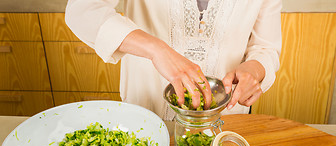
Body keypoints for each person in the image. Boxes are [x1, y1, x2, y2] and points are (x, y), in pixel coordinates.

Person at [65, 0, 281, 120]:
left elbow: (266, 47)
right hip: (146, 113)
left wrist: (255, 69)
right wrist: (155, 49)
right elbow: (83, 11)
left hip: (228, 120)